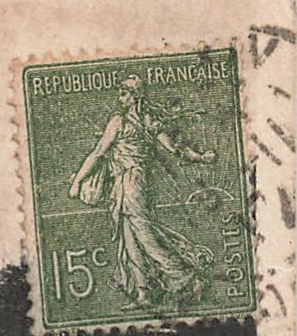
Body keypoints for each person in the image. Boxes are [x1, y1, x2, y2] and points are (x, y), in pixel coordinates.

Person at [69, 74, 216, 309]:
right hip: (124, 183)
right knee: (129, 237)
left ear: (135, 96)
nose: (120, 97)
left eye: (124, 93)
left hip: (132, 183)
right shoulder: (145, 121)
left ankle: (186, 276)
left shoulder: (122, 122)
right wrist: (201, 158)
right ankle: (143, 293)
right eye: (120, 92)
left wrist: (77, 181)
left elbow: (99, 152)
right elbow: (173, 148)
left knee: (145, 235)